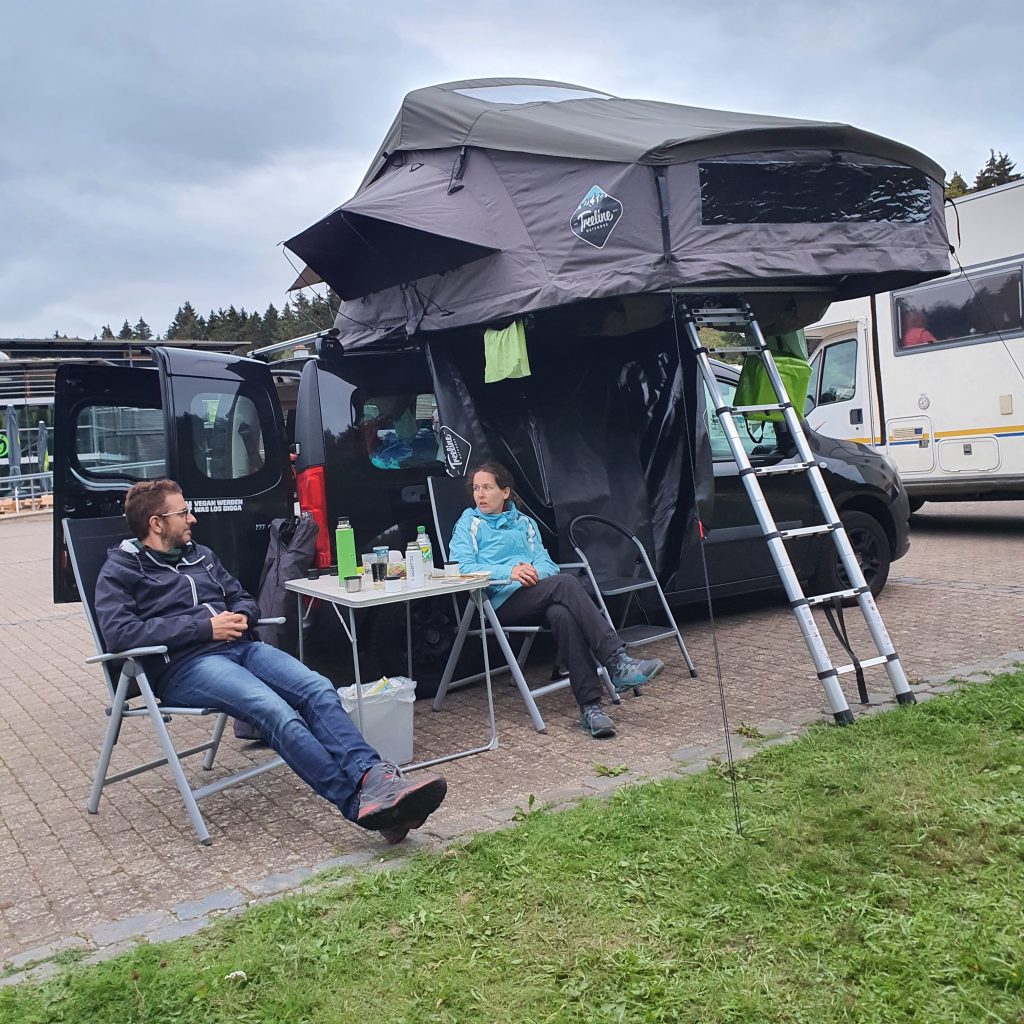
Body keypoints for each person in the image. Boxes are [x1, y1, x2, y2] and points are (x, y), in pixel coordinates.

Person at [94, 478, 446, 844]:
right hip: (185, 667)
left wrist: (242, 617)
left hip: (240, 647)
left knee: (317, 688)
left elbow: (242, 596)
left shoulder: (199, 554)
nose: (192, 518)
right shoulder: (121, 571)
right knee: (275, 712)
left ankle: (374, 778)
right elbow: (120, 634)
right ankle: (359, 804)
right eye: (183, 512)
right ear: (156, 523)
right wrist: (203, 628)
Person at [449, 461, 664, 738]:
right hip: (498, 603)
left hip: (536, 594)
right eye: (476, 488)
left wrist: (533, 573)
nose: (480, 494)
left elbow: (546, 563)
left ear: (505, 492)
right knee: (565, 583)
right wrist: (510, 572)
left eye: (487, 487)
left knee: (562, 613)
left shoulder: (525, 524)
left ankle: (590, 708)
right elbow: (460, 567)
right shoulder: (468, 524)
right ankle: (615, 659)